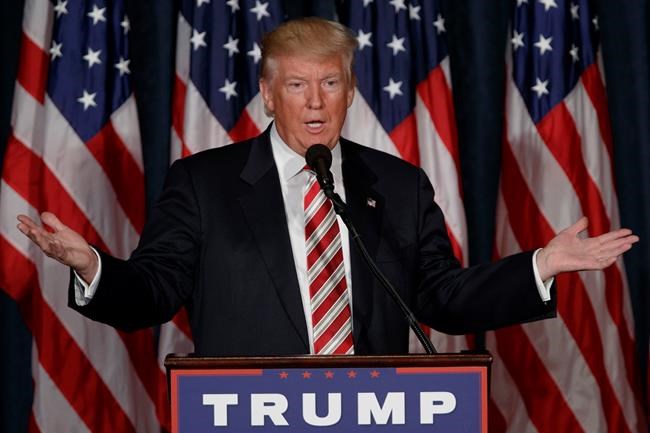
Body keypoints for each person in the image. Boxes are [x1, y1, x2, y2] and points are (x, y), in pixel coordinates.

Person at [16, 18, 638, 356]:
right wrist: (94, 265)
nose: (316, 102)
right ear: (266, 94)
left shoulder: (397, 184)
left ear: (350, 90)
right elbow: (152, 293)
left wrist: (541, 265)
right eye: (296, 85)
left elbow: (441, 298)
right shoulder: (203, 184)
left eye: (331, 83)